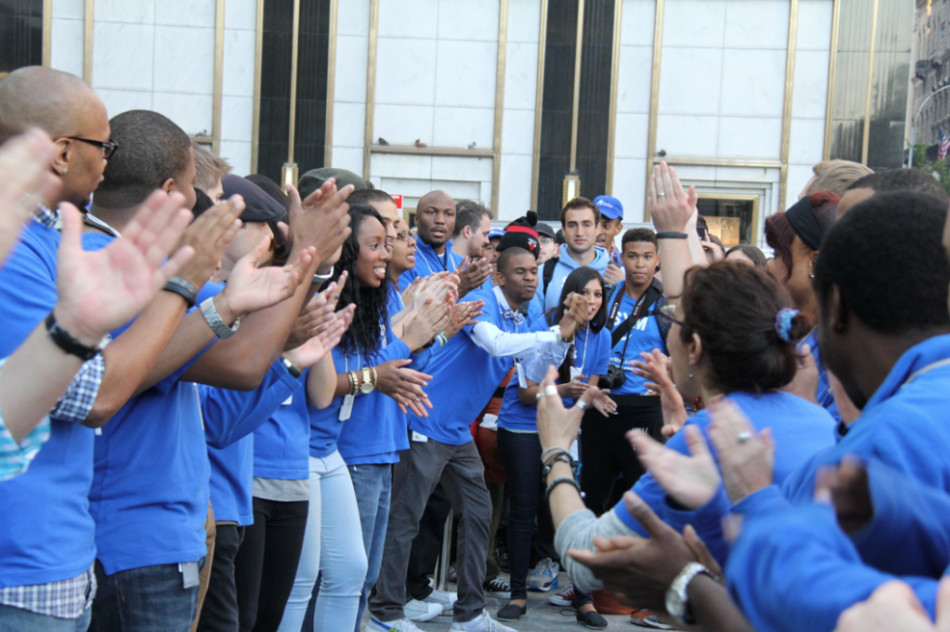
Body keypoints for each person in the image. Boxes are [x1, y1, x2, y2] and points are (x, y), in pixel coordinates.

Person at [537, 261, 837, 585]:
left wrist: (556, 450)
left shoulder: (707, 436)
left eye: (672, 322)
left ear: (694, 348)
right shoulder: (822, 419)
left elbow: (590, 561)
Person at [369, 242, 590, 632]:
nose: (529, 278)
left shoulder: (523, 319)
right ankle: (386, 611)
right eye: (520, 272)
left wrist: (563, 338)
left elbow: (535, 368)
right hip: (424, 421)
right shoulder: (480, 301)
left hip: (456, 432)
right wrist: (553, 332)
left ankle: (470, 615)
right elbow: (496, 345)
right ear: (500, 277)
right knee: (406, 519)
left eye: (533, 272)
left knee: (478, 513)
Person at [282, 206, 442, 632]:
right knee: (304, 582)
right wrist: (402, 344)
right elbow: (323, 388)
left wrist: (411, 336)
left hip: (333, 450)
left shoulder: (367, 301)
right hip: (314, 451)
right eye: (376, 245)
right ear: (347, 252)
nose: (386, 254)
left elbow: (371, 368)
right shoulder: (321, 300)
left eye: (387, 244)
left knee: (356, 572)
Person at [496, 266, 614, 629]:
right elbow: (527, 392)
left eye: (598, 295)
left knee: (575, 513)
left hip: (567, 430)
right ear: (568, 297)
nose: (592, 302)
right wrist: (564, 392)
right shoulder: (544, 325)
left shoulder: (602, 336)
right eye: (585, 294)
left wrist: (590, 399)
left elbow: (588, 388)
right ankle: (518, 594)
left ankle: (584, 598)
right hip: (522, 426)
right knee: (523, 510)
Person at [764, 190, 841, 420]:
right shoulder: (789, 329)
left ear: (814, 262)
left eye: (778, 254)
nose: (770, 266)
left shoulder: (842, 348)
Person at [399, 190, 491, 296]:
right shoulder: (405, 261)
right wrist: (458, 289)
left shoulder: (460, 262)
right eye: (431, 212)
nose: (440, 220)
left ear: (455, 221)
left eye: (448, 214)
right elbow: (404, 310)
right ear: (416, 219)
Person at [537, 198, 610, 313]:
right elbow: (532, 326)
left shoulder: (617, 274)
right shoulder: (542, 273)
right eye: (572, 225)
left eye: (586, 224)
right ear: (563, 230)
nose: (579, 232)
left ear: (597, 229)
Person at [593, 195, 624, 285]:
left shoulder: (624, 264)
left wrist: (624, 285)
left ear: (618, 229)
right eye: (594, 224)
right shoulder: (573, 258)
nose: (598, 232)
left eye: (605, 226)